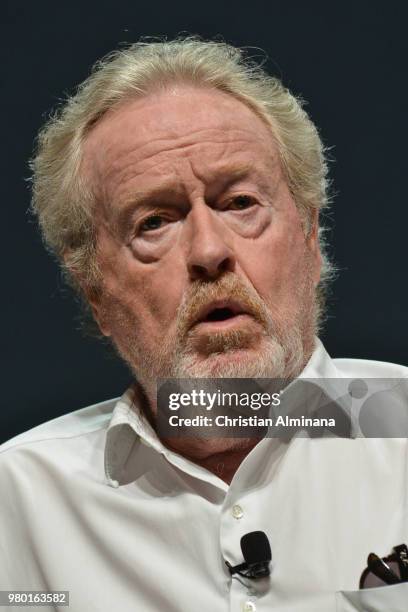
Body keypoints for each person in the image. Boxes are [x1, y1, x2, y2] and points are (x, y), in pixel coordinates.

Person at [1, 37, 407, 611]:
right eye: (155, 221)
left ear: (311, 238)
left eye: (240, 202)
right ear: (96, 292)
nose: (209, 251)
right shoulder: (18, 503)